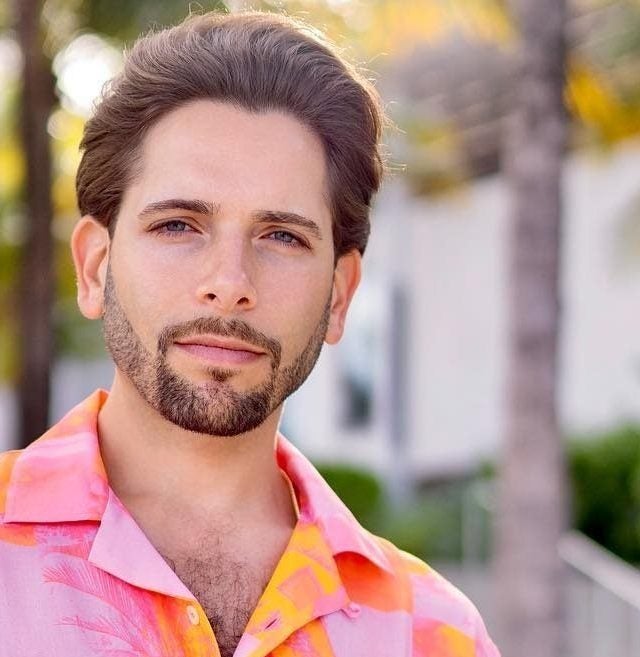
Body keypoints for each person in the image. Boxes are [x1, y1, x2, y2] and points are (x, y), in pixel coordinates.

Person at [0, 11, 499, 657]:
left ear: (339, 295)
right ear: (95, 268)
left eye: (282, 237)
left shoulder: (430, 632)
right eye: (178, 225)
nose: (230, 283)